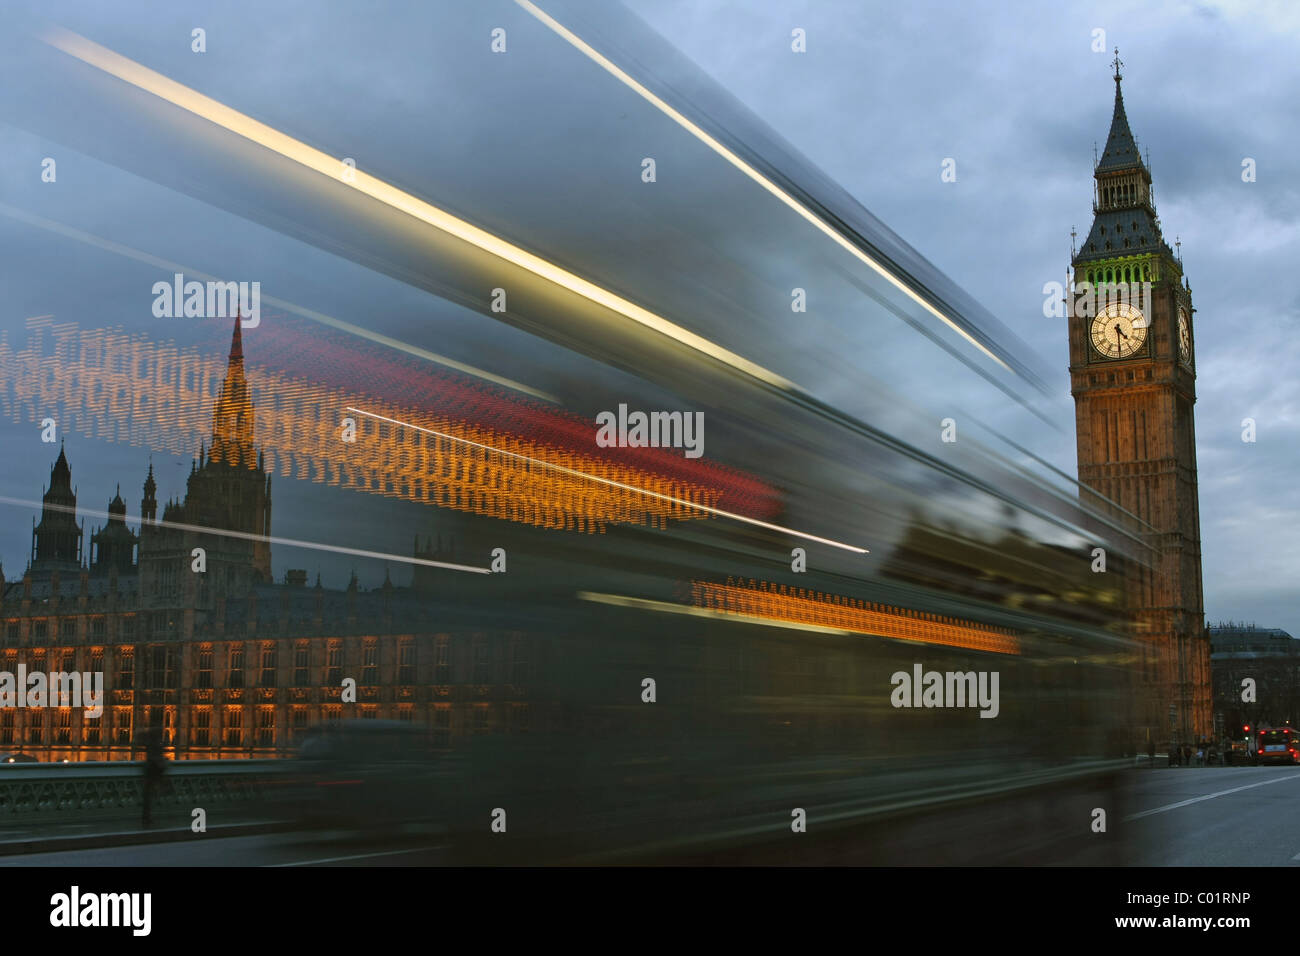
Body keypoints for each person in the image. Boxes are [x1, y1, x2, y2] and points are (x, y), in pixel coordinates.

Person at [141, 724, 167, 828]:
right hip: (154, 773)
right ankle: (149, 818)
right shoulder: (155, 744)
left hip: (151, 773)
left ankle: (147, 817)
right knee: (150, 796)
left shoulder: (150, 743)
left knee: (148, 796)